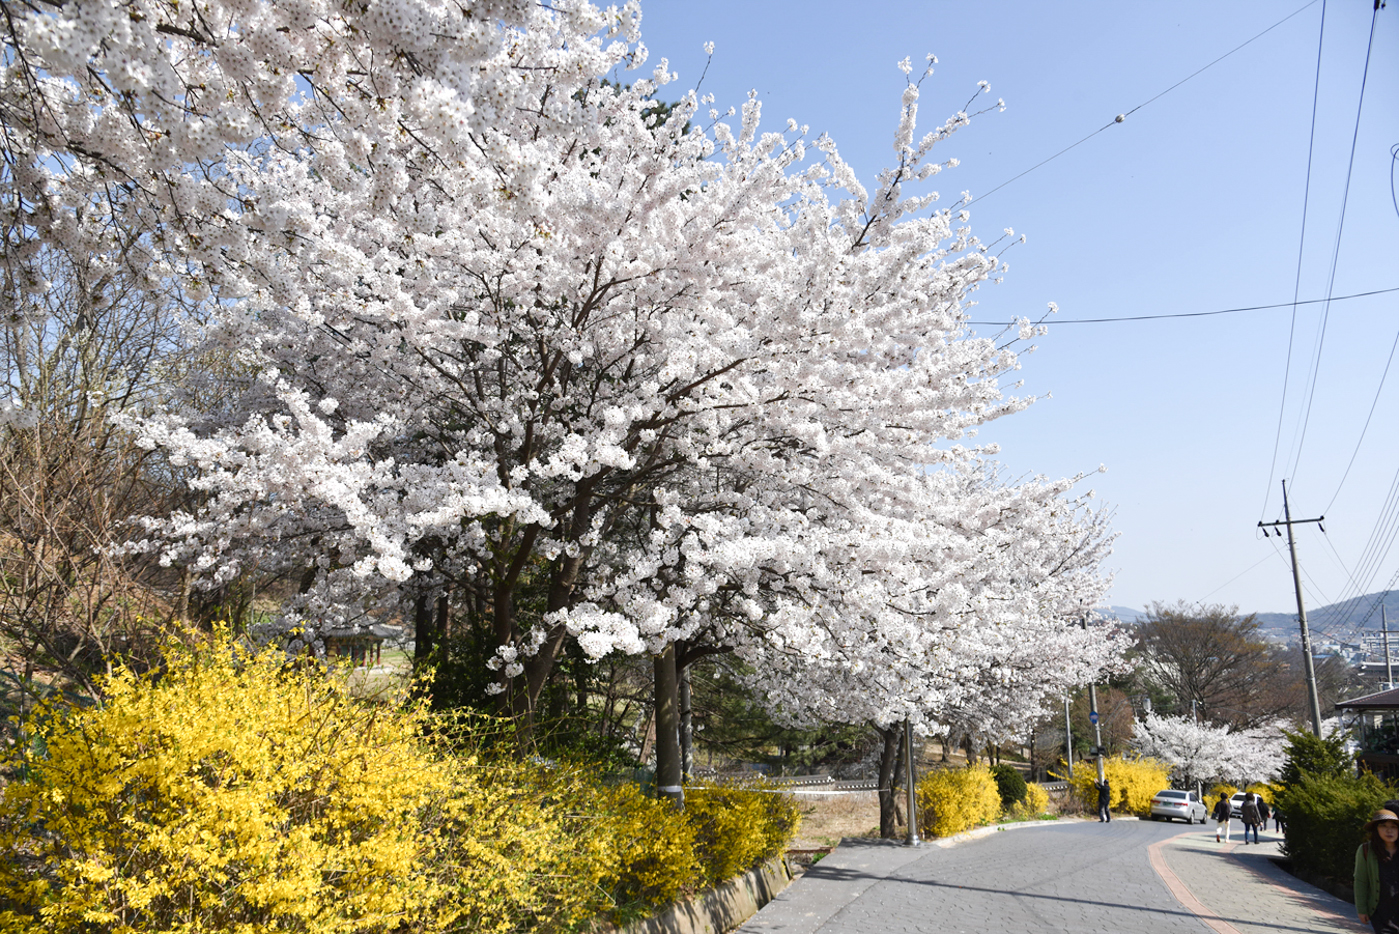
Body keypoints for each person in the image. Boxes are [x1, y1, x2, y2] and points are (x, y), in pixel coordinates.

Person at [1355, 808, 1399, 932]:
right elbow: (1361, 881)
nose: (1389, 830)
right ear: (1376, 829)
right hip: (1381, 913)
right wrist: (1362, 909)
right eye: (1383, 826)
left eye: (1394, 827)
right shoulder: (1366, 850)